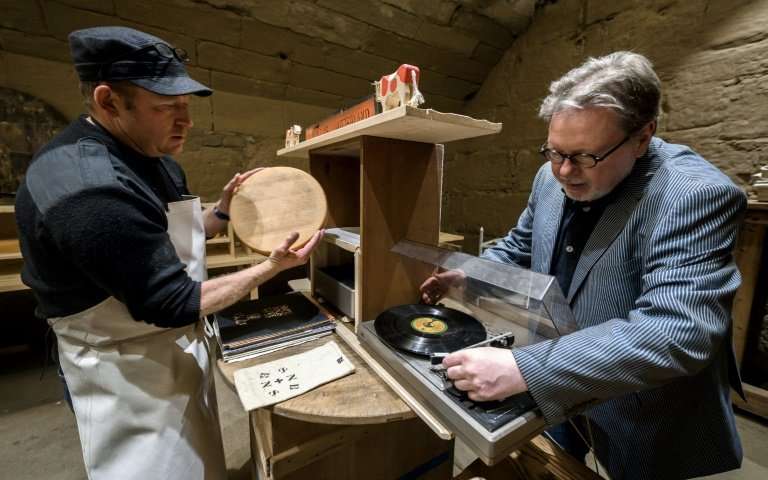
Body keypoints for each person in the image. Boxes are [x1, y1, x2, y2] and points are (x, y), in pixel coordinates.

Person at [14, 26, 322, 480]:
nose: (186, 121)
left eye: (185, 106)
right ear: (108, 102)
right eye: (166, 108)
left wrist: (220, 213)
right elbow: (171, 300)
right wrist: (270, 268)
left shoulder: (150, 156)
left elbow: (160, 234)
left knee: (199, 457)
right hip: (122, 368)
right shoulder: (89, 189)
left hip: (169, 342)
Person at [421, 52, 745, 480]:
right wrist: (472, 274)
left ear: (643, 136)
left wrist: (526, 368)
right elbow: (519, 246)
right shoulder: (548, 176)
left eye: (584, 157)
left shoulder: (695, 195)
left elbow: (677, 330)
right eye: (555, 152)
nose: (564, 172)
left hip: (643, 403)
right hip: (558, 383)